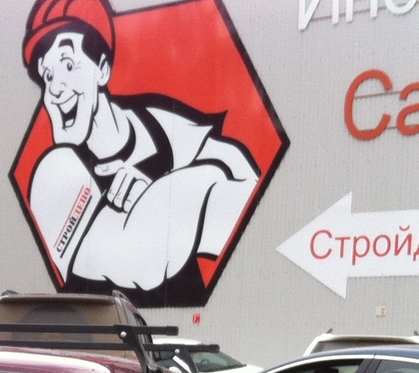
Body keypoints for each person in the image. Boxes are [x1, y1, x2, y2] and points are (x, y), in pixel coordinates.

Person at [22, 0, 260, 305]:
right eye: (48, 76)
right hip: (102, 333)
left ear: (102, 70)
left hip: (179, 329)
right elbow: (140, 266)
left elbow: (245, 189)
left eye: (68, 65)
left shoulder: (157, 124)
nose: (55, 90)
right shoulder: (53, 173)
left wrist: (159, 200)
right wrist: (198, 185)